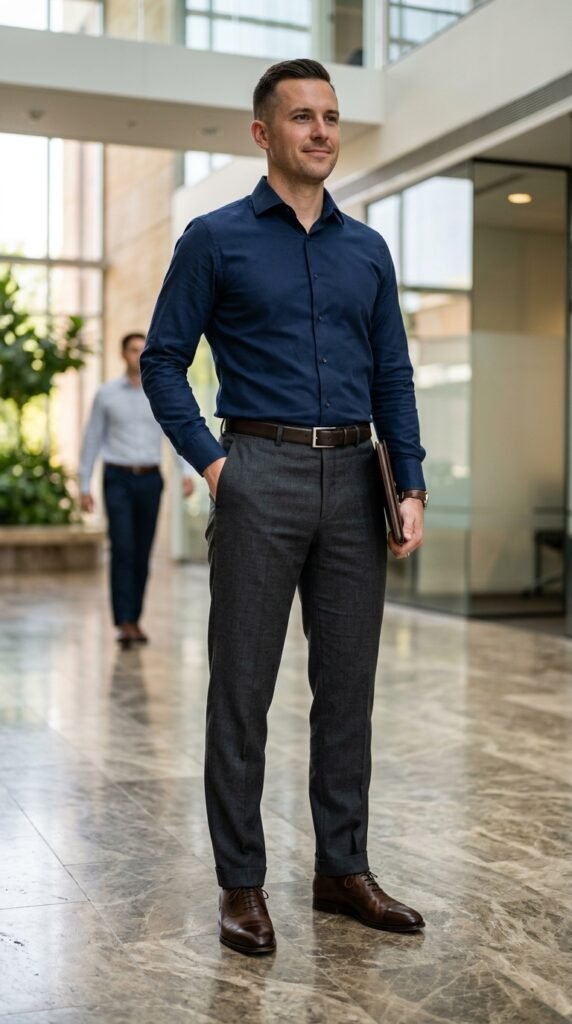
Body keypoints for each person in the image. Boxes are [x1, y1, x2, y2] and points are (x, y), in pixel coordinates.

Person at [141, 59, 428, 956]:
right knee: (243, 690)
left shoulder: (367, 250)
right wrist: (218, 466)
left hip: (354, 477)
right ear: (263, 133)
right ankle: (242, 885)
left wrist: (408, 479)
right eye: (302, 118)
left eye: (332, 117)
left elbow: (392, 374)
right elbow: (162, 359)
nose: (322, 132)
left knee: (347, 691)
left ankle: (343, 869)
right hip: (257, 468)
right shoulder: (215, 239)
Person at [79, 331, 194, 646]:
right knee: (123, 548)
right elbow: (92, 440)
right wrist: (84, 484)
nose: (138, 356)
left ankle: (135, 618)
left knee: (142, 550)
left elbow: (174, 436)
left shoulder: (159, 393)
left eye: (143, 351)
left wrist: (186, 471)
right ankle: (124, 621)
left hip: (150, 479)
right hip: (117, 478)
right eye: (132, 350)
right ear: (122, 354)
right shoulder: (106, 395)